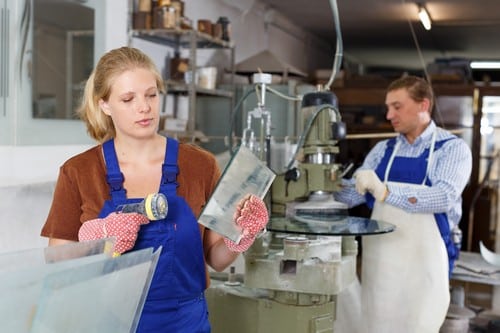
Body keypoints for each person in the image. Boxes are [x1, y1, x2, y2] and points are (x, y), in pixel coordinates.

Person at [40, 46, 268, 332]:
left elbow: (215, 259)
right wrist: (98, 240)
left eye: (151, 94)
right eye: (128, 99)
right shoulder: (79, 171)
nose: (144, 107)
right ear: (104, 105)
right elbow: (56, 262)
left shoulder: (200, 165)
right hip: (107, 322)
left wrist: (240, 237)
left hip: (185, 323)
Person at [334, 75, 472, 333]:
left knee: (420, 321)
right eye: (388, 107)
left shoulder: (452, 149)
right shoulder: (382, 151)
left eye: (397, 106)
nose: (389, 115)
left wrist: (386, 191)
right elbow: (353, 196)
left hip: (427, 254)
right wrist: (324, 181)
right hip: (382, 257)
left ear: (423, 105)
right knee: (378, 321)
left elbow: (444, 196)